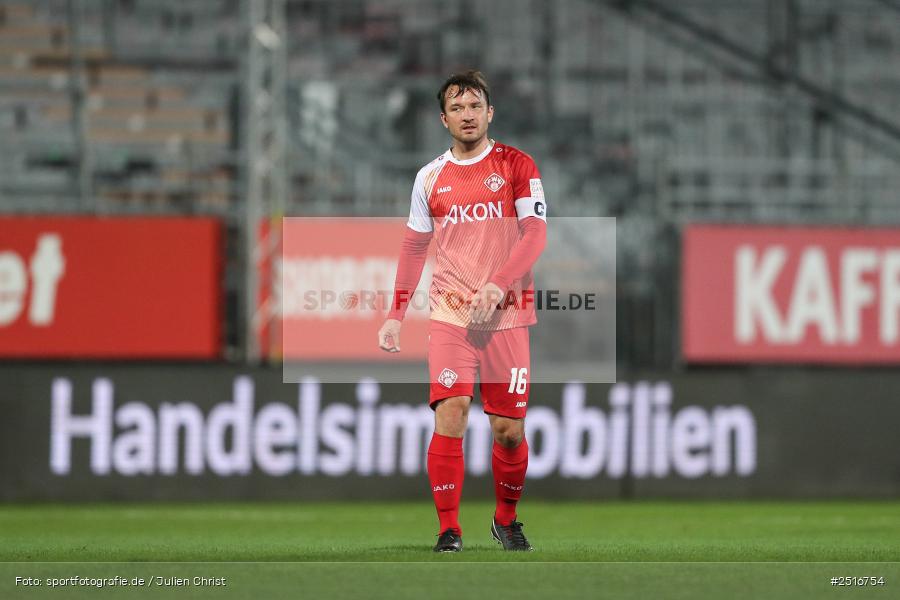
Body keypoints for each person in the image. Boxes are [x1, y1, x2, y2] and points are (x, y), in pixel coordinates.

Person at [377, 71, 547, 552]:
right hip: (451, 313)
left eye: (475, 106)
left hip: (507, 314)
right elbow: (414, 247)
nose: (467, 115)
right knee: (451, 413)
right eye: (457, 108)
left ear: (489, 113)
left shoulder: (517, 164)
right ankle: (448, 529)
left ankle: (506, 519)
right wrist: (395, 313)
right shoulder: (429, 177)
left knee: (508, 431)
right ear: (443, 118)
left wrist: (497, 286)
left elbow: (535, 234)